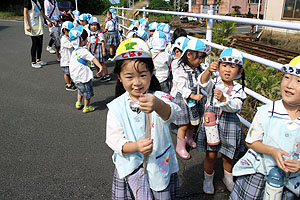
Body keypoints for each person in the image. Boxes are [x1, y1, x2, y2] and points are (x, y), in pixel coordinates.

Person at [105, 38, 180, 199]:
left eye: (143, 75)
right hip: (130, 166)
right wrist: (135, 146)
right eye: (129, 77)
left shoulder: (160, 97)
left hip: (158, 165)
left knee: (160, 190)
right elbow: (113, 139)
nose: (137, 83)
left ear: (151, 73)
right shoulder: (116, 107)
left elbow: (174, 113)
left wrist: (158, 105)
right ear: (119, 77)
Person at [229, 56, 300, 199]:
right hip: (258, 174)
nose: (290, 85)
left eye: (299, 81)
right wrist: (272, 151)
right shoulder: (267, 111)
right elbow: (250, 141)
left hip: (289, 183)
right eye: (286, 77)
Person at [197, 48, 246, 194]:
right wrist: (207, 71)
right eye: (224, 65)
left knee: (227, 155)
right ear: (218, 67)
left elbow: (237, 106)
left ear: (239, 71)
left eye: (232, 66)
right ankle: (208, 179)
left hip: (229, 125)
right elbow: (203, 82)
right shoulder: (215, 82)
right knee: (210, 154)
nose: (228, 69)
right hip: (212, 125)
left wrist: (225, 99)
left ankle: (227, 178)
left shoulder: (238, 89)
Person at [171, 39, 209, 160]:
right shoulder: (180, 68)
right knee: (183, 124)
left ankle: (189, 138)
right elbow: (180, 86)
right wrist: (192, 96)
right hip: (183, 98)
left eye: (202, 58)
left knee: (193, 122)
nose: (201, 61)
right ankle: (180, 146)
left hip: (193, 99)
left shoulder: (196, 66)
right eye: (199, 58)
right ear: (188, 55)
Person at [68, 26, 103, 113]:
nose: (87, 39)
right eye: (86, 38)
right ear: (81, 40)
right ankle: (86, 107)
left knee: (80, 90)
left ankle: (79, 103)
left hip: (75, 77)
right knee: (87, 92)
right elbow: (93, 59)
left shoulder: (75, 51)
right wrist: (100, 67)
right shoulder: (83, 51)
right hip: (84, 76)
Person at [24, 0, 57, 68]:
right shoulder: (28, 1)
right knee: (35, 43)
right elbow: (25, 12)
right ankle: (33, 62)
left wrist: (51, 21)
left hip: (39, 26)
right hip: (32, 26)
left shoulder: (37, 2)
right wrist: (27, 24)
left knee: (40, 42)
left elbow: (42, 13)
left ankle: (39, 59)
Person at [87, 17, 111, 82]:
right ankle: (99, 74)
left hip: (99, 49)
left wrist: (103, 51)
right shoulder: (90, 34)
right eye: (92, 25)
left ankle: (106, 75)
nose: (93, 27)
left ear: (98, 26)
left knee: (101, 63)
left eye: (95, 25)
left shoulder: (100, 34)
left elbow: (103, 43)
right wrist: (88, 49)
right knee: (95, 63)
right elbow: (89, 42)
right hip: (93, 49)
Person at [60, 21, 76, 91]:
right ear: (64, 30)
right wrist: (75, 41)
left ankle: (71, 82)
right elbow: (70, 45)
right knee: (67, 73)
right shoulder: (63, 39)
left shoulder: (68, 37)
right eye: (69, 31)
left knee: (71, 72)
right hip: (66, 60)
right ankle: (68, 84)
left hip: (71, 59)